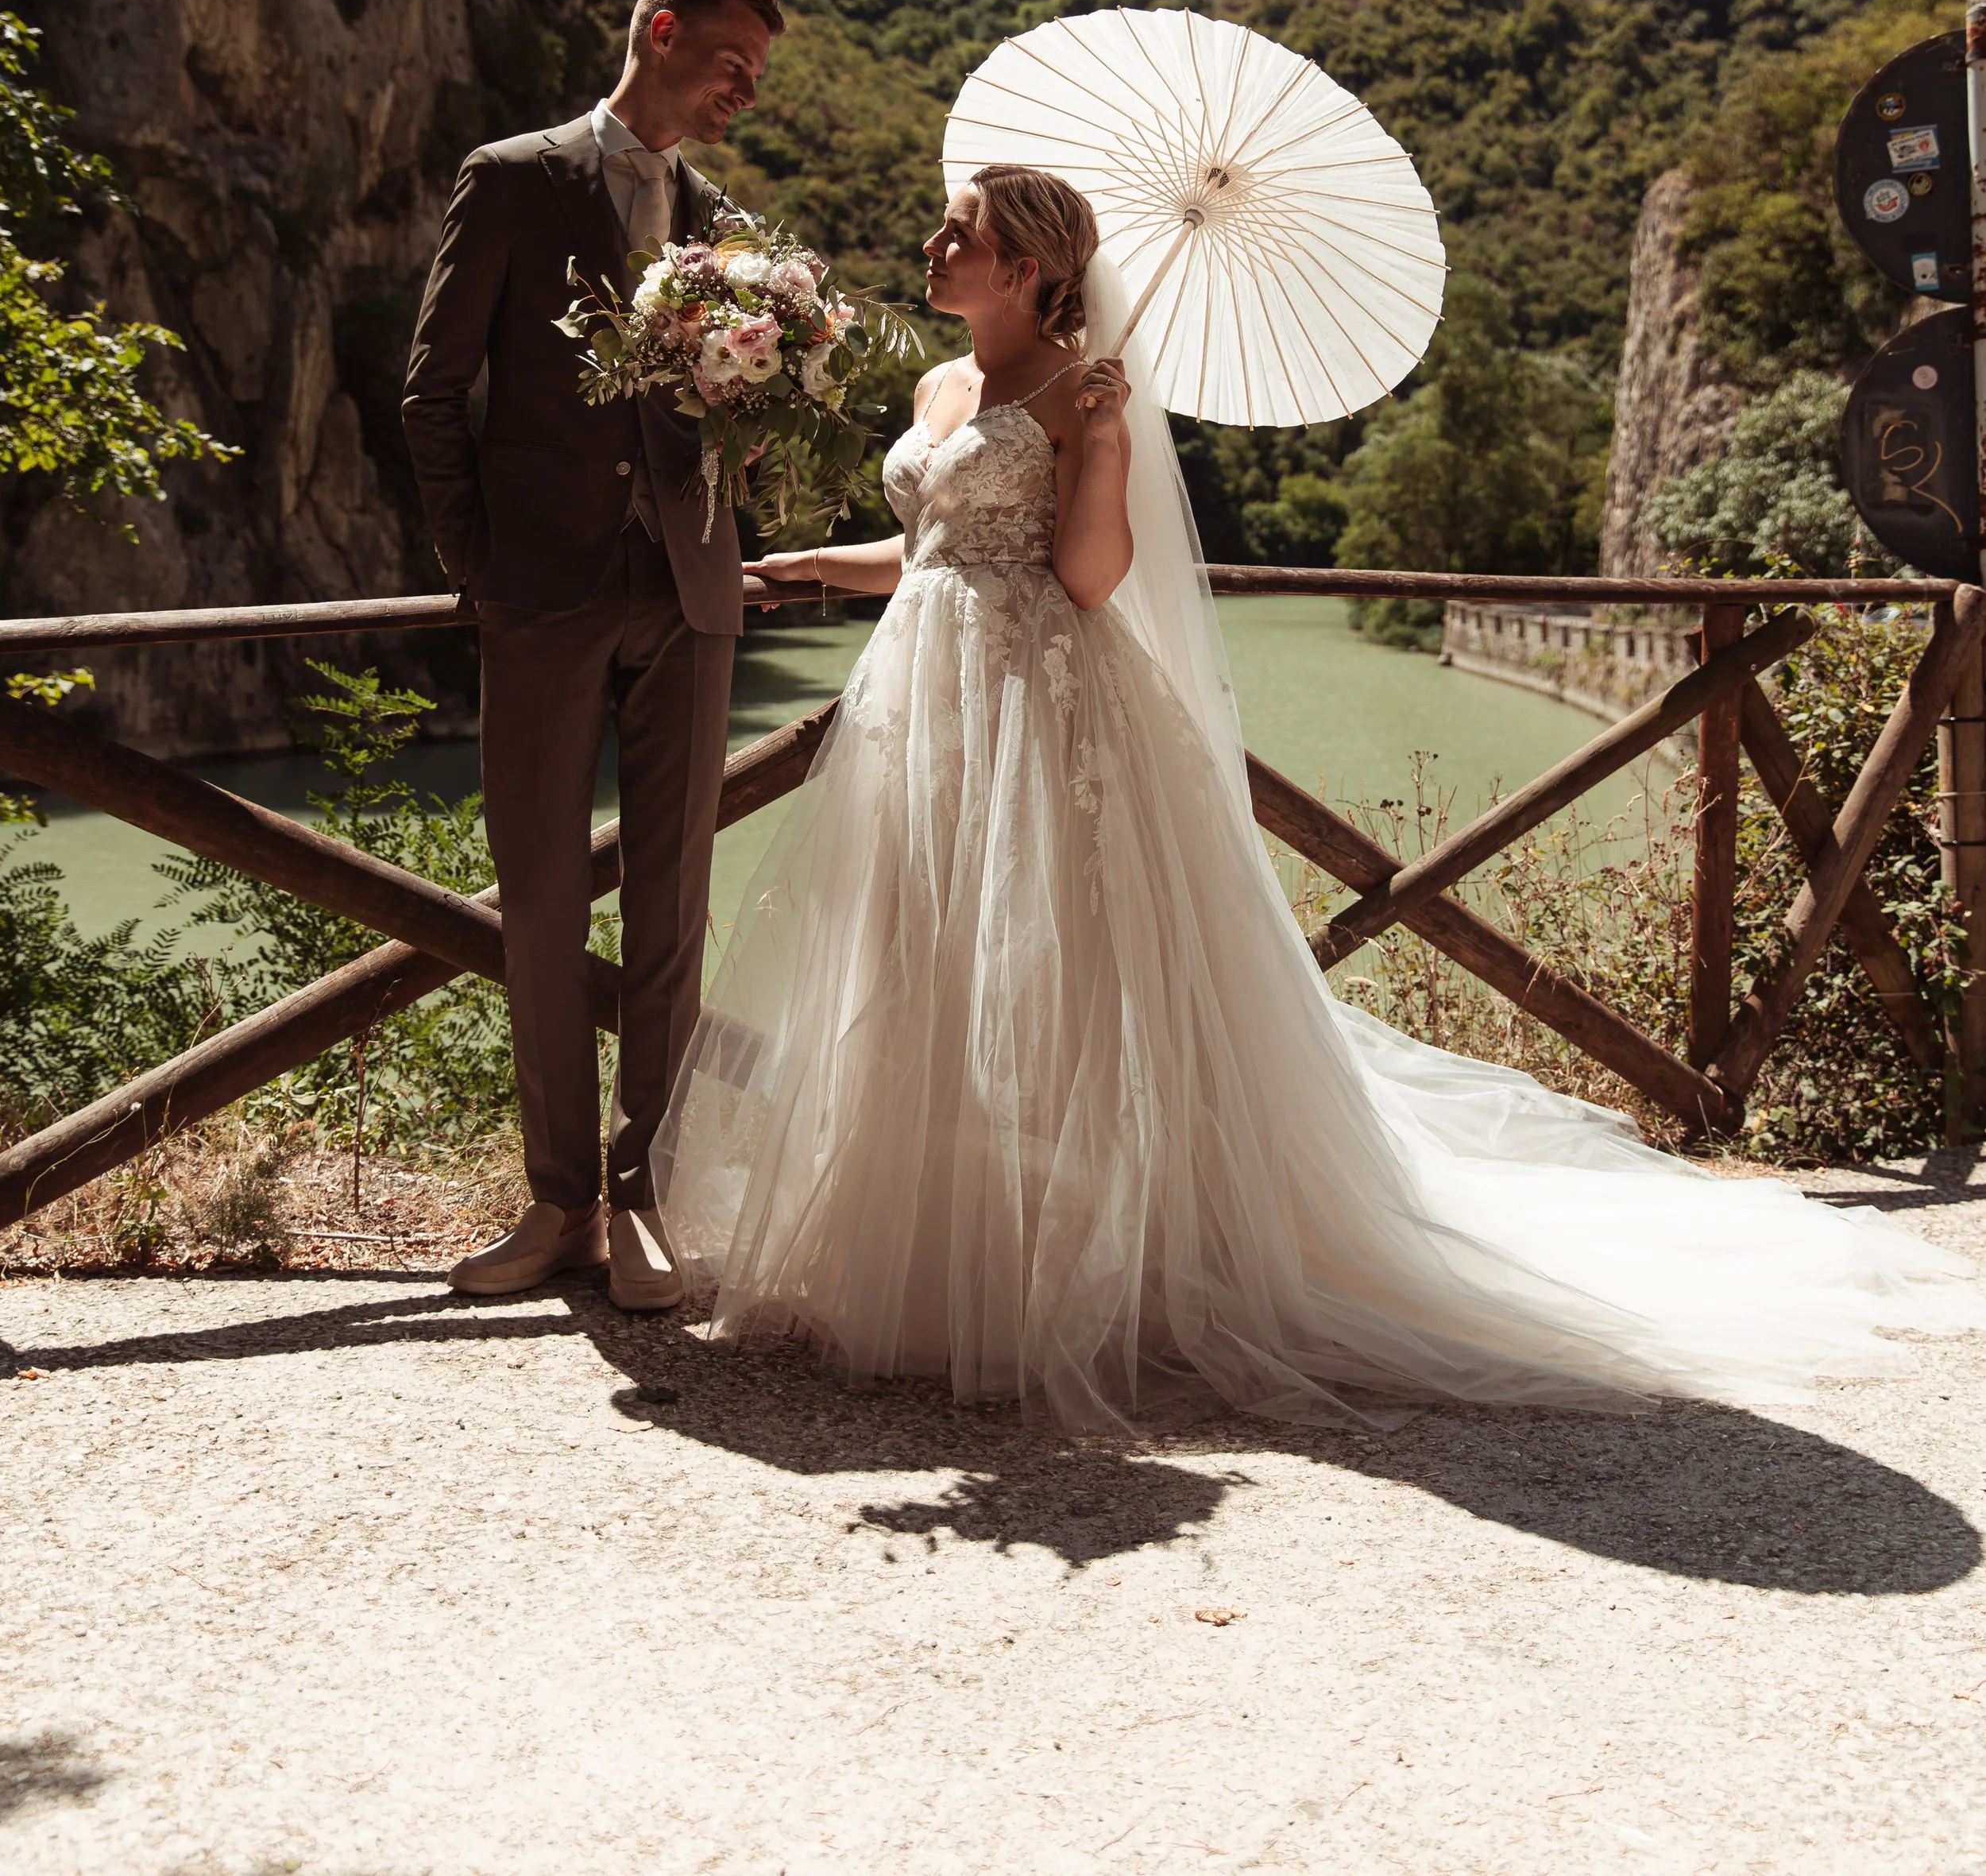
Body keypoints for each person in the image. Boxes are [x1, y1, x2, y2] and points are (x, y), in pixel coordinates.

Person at [657, 163, 1976, 1430]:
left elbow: (1091, 577)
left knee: (1067, 973)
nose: (935, 246)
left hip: (1039, 704)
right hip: (920, 704)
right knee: (921, 955)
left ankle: (1076, 1269)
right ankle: (930, 1248)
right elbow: (927, 548)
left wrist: (1106, 445)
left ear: (1025, 263)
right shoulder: (945, 382)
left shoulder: (1079, 395)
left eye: (959, 231)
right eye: (943, 229)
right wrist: (787, 569)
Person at [403, 0, 782, 1310]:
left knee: (675, 906)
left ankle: (649, 1200)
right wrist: (483, 567)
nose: (747, 89)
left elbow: (723, 420)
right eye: (733, 60)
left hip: (691, 597)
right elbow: (432, 394)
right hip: (543, 598)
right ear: (662, 33)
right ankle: (559, 1205)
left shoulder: (725, 224)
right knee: (544, 910)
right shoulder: (511, 178)